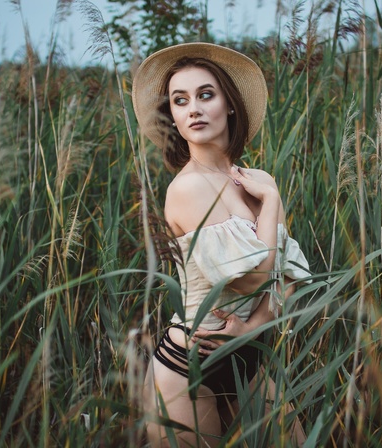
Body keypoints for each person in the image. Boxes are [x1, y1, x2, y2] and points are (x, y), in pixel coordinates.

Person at [132, 42, 311, 447]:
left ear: (230, 104)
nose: (193, 108)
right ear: (173, 118)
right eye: (180, 101)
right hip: (190, 365)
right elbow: (251, 281)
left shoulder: (255, 180)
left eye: (205, 94)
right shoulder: (189, 189)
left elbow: (287, 278)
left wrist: (252, 327)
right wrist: (273, 201)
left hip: (248, 357)